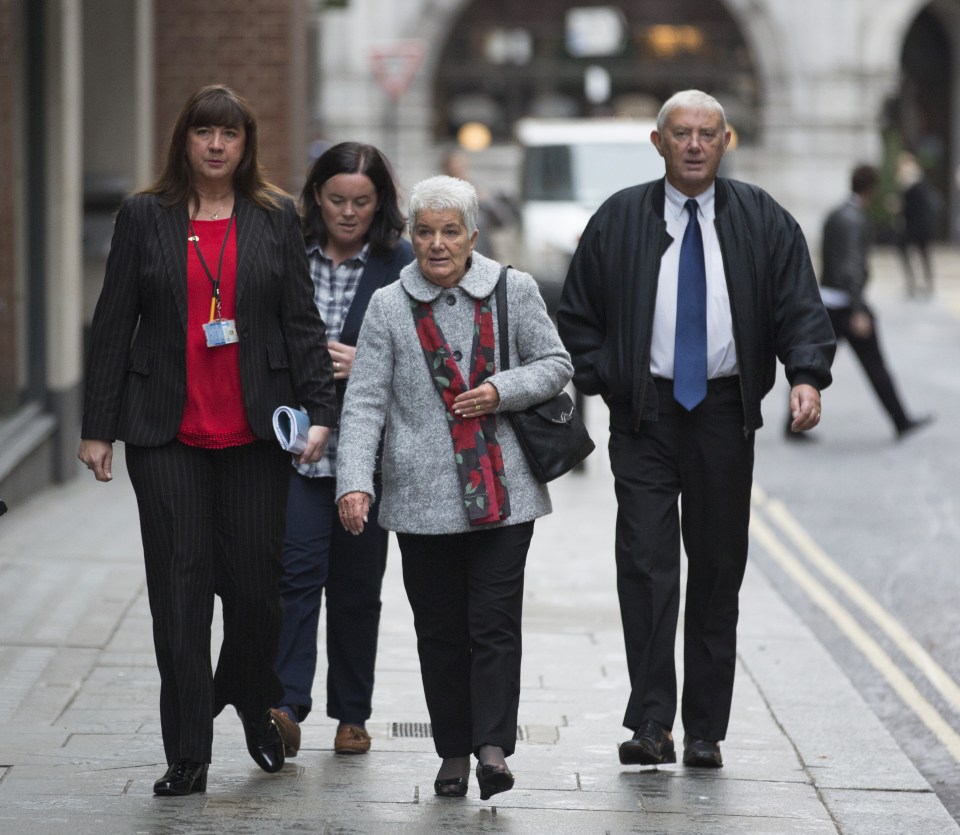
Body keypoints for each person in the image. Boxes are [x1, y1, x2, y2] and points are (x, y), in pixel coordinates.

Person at [557, 90, 836, 769]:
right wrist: (608, 375)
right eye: (679, 133)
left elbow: (799, 303)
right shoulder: (619, 218)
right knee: (647, 566)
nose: (692, 144)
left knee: (715, 571)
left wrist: (806, 374)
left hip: (721, 414)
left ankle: (706, 726)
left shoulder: (763, 219)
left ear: (726, 140)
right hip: (644, 414)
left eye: (706, 133)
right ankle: (653, 720)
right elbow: (576, 313)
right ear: (657, 142)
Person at [77, 85, 337, 796]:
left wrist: (320, 412)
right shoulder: (143, 216)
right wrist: (97, 426)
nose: (217, 145)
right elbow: (112, 323)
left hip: (256, 432)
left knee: (257, 593)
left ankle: (252, 700)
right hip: (165, 434)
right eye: (204, 132)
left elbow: (301, 324)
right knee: (180, 593)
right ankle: (188, 750)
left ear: (245, 144)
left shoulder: (275, 216)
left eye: (230, 134)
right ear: (184, 141)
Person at [336, 175, 572, 800]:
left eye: (449, 232)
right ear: (410, 236)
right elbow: (363, 404)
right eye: (424, 232)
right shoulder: (388, 305)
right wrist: (354, 482)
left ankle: (491, 747)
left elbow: (556, 365)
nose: (436, 245)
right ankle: (451, 752)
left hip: (504, 493)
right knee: (439, 629)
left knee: (493, 622)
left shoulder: (512, 290)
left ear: (472, 235)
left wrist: (501, 390)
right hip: (419, 499)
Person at [269, 142, 413, 758]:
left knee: (357, 587)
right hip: (297, 450)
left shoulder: (401, 263)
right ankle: (285, 704)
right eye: (335, 200)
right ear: (315, 197)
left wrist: (369, 361)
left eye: (362, 201)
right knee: (295, 574)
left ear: (379, 203)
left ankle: (352, 711)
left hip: (366, 456)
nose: (348, 213)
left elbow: (429, 352)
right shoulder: (286, 253)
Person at [814, 163, 932, 439]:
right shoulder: (855, 219)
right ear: (872, 189)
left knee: (815, 364)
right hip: (846, 305)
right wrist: (858, 310)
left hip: (828, 301)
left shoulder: (836, 212)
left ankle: (792, 422)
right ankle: (901, 421)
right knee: (875, 365)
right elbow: (851, 267)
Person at [895, 152, 940, 297]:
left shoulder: (912, 181)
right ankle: (920, 283)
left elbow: (912, 206)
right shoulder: (915, 182)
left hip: (917, 225)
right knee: (922, 253)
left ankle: (920, 283)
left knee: (921, 252)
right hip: (916, 225)